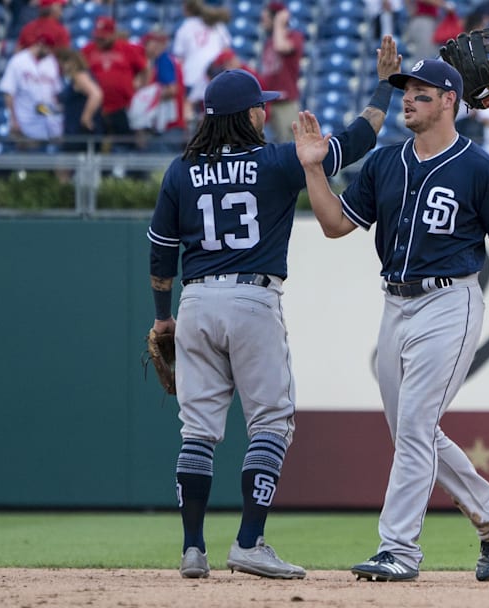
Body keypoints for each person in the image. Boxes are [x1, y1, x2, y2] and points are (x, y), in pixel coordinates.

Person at [293, 58, 489, 583]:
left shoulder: (480, 168)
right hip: (395, 303)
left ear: (448, 101)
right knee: (412, 431)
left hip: (450, 303)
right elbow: (333, 225)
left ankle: (399, 549)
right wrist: (311, 167)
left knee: (415, 426)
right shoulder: (385, 163)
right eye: (405, 89)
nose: (408, 98)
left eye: (420, 90)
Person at [147, 37, 401, 581]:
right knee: (271, 422)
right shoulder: (279, 161)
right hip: (251, 297)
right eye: (261, 104)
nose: (268, 109)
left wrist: (161, 314)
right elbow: (357, 138)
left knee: (197, 431)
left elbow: (161, 252)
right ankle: (249, 540)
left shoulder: (180, 171)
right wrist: (384, 84)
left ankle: (193, 549)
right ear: (250, 115)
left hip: (195, 300)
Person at [81, 16, 147, 152]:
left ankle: (130, 172)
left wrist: (140, 86)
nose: (99, 40)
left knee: (126, 144)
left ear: (112, 35)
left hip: (122, 107)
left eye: (103, 37)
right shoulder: (88, 50)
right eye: (97, 37)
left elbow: (144, 69)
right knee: (97, 146)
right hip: (97, 109)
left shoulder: (126, 48)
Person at [0, 31, 62, 148]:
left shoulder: (51, 61)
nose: (50, 52)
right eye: (48, 48)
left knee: (45, 163)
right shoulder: (18, 61)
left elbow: (56, 93)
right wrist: (14, 120)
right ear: (40, 44)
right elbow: (8, 92)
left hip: (47, 124)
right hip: (24, 122)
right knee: (23, 162)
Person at [259, 2, 305, 143]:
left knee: (291, 143)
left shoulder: (294, 36)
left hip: (286, 101)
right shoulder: (268, 42)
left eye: (266, 18)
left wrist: (279, 22)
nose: (263, 22)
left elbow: (281, 47)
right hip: (271, 102)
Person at [55, 46, 103, 153]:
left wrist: (86, 117)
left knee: (67, 165)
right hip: (74, 129)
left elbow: (96, 94)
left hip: (79, 131)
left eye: (62, 63)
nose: (62, 68)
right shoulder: (75, 78)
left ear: (71, 62)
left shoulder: (80, 76)